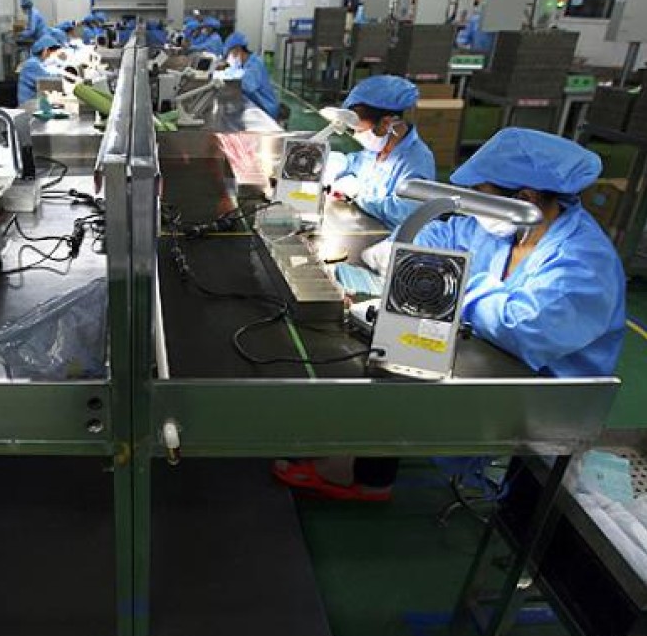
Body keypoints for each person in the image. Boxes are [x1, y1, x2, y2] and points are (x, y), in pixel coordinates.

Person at [275, 128, 626, 499]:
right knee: (387, 345)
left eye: (483, 195)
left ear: (525, 197)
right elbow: (447, 235)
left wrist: (452, 283)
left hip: (540, 395)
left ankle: (365, 474)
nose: (476, 206)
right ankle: (355, 449)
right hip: (489, 356)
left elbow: (524, 326)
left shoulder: (584, 261)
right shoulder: (513, 223)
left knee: (398, 365)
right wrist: (402, 251)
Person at [328, 75, 435, 229]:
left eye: (360, 130)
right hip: (363, 226)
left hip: (390, 240)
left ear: (386, 123)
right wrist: (333, 164)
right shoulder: (374, 150)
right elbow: (354, 163)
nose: (358, 134)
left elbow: (403, 213)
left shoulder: (417, 162)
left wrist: (360, 195)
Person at [221, 32, 280, 120]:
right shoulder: (243, 64)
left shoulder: (255, 64)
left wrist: (228, 77)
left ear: (238, 49)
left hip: (265, 110)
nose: (229, 59)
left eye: (229, 54)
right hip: (254, 106)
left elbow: (248, 86)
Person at [17, 34, 63, 104]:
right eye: (51, 52)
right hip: (28, 104)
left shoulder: (37, 62)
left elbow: (46, 75)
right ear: (45, 50)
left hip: (35, 100)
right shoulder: (32, 64)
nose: (50, 56)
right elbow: (48, 82)